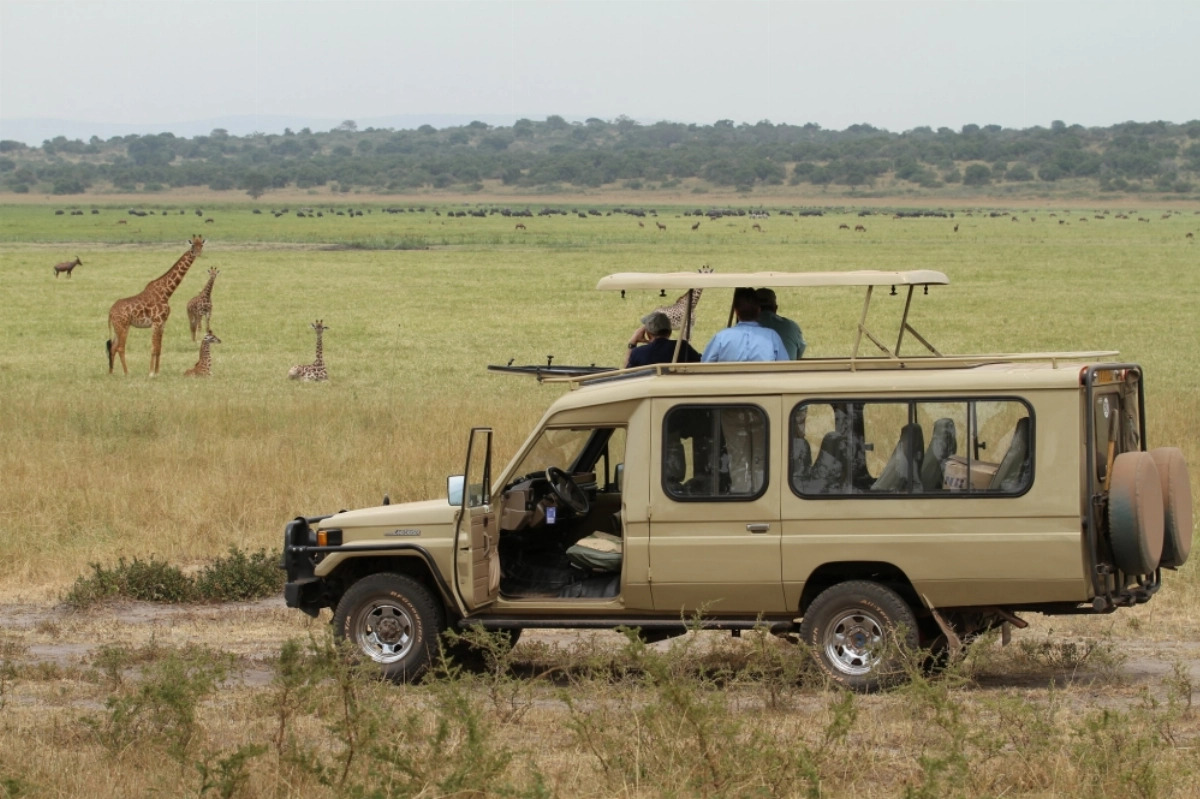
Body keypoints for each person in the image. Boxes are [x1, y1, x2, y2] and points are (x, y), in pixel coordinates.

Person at [700, 287, 788, 362]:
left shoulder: (721, 338)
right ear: (759, 310)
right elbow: (785, 366)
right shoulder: (772, 337)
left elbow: (704, 365)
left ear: (736, 311)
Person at [626, 311, 701, 367]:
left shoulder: (638, 353)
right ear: (670, 332)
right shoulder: (683, 347)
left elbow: (625, 375)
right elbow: (701, 363)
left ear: (648, 333)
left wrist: (632, 343)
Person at [754, 288, 806, 359]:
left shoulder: (745, 330)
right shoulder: (792, 326)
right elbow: (799, 352)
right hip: (787, 366)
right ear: (775, 308)